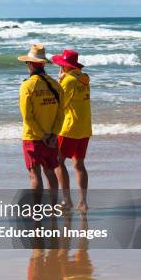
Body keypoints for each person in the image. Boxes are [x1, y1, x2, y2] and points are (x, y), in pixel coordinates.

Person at [18, 44, 64, 193]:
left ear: (31, 64)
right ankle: (52, 211)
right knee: (50, 173)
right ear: (42, 64)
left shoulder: (27, 86)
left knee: (34, 176)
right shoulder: (56, 85)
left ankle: (37, 213)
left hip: (33, 137)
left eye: (27, 63)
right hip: (51, 137)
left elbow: (27, 117)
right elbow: (61, 113)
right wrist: (53, 134)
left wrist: (42, 135)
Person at [51, 49, 92, 211]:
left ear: (64, 66)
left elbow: (60, 103)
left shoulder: (67, 81)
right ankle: (83, 202)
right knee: (79, 164)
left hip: (69, 128)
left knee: (58, 162)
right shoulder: (84, 78)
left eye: (61, 64)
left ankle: (66, 200)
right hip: (84, 127)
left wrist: (59, 82)